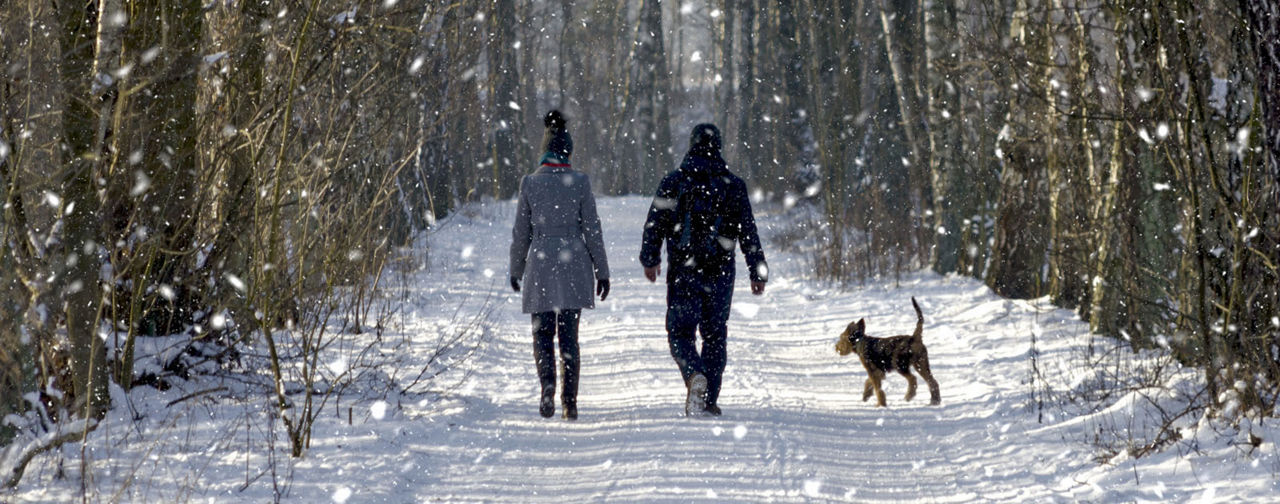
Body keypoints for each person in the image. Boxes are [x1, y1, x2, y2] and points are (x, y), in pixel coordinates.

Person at [640, 123, 767, 417]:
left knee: (680, 332)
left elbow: (655, 222)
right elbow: (748, 232)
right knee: (714, 335)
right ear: (718, 147)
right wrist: (757, 272)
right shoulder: (733, 186)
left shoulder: (673, 181)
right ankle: (708, 398)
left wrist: (650, 258)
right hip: (720, 272)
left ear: (691, 145)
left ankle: (693, 373)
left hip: (684, 271)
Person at [510, 110, 611, 420]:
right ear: (568, 150)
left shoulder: (529, 183)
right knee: (569, 337)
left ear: (545, 151)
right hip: (573, 264)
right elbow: (592, 229)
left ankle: (547, 389)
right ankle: (570, 402)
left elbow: (521, 232)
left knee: (542, 335)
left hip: (540, 264)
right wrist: (601, 270)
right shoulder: (580, 182)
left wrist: (516, 269)